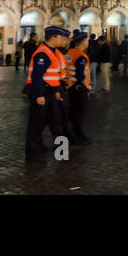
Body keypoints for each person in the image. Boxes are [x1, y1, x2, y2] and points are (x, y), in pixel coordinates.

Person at [26, 26, 71, 160]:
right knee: (36, 122)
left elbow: (55, 74)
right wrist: (40, 94)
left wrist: (57, 89)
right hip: (41, 91)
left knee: (54, 119)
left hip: (51, 91)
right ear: (53, 37)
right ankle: (33, 149)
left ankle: (59, 150)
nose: (63, 40)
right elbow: (37, 76)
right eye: (61, 37)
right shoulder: (42, 53)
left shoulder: (53, 52)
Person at [65, 31, 92, 144]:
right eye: (86, 40)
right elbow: (80, 74)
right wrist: (87, 86)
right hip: (79, 88)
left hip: (70, 87)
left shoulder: (69, 53)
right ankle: (77, 135)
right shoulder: (81, 56)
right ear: (82, 42)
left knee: (73, 112)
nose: (88, 42)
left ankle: (73, 134)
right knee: (79, 113)